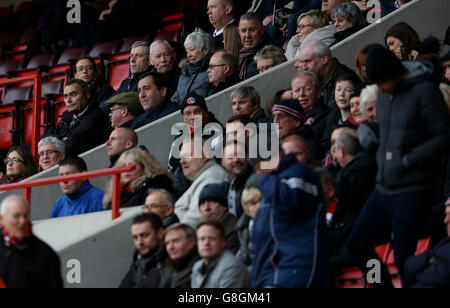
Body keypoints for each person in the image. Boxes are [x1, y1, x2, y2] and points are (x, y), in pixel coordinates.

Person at [345, 45, 450, 288]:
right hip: (384, 186)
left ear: (395, 73)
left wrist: (408, 160)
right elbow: (391, 134)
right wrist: (372, 135)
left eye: (382, 82)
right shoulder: (383, 94)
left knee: (405, 260)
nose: (379, 88)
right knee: (357, 244)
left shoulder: (424, 91)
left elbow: (444, 136)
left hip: (413, 188)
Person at [251, 152, 329, 288]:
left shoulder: (300, 173)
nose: (259, 173)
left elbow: (288, 201)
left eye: (260, 167)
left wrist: (264, 180)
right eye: (256, 170)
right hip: (272, 274)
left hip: (295, 271)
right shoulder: (273, 185)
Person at [0, 195, 63, 288]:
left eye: (25, 216)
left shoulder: (46, 255)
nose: (22, 221)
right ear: (2, 219)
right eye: (16, 216)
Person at [168, 94, 222, 199]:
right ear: (183, 117)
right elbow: (172, 167)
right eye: (188, 113)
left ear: (205, 113)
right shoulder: (178, 138)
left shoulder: (216, 132)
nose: (193, 117)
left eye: (197, 111)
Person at [174, 137, 228, 229]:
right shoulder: (203, 176)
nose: (181, 161)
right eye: (181, 157)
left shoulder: (212, 177)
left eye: (187, 155)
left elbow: (194, 222)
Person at [53, 79, 110, 157]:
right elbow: (46, 139)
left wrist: (61, 140)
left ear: (87, 94)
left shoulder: (95, 117)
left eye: (73, 95)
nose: (68, 100)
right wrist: (62, 138)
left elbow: (70, 147)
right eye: (66, 96)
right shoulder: (67, 116)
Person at [103, 148, 173, 210]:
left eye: (131, 165)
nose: (126, 169)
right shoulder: (116, 191)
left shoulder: (154, 186)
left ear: (144, 168)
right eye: (122, 166)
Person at [295, 40, 360, 107]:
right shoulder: (318, 77)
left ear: (324, 59)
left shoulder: (344, 80)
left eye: (307, 61)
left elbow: (333, 113)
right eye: (302, 62)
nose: (304, 67)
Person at [403, 200, 450, 288]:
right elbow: (409, 267)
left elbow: (444, 278)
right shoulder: (444, 242)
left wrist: (431, 263)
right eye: (446, 215)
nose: (445, 220)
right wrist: (431, 259)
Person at [191, 220, 250, 288]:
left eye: (212, 239)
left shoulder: (231, 266)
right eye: (202, 239)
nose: (206, 243)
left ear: (223, 242)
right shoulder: (197, 266)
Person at [119, 213, 165, 288]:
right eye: (135, 238)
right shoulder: (138, 261)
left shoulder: (172, 262)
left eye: (144, 235)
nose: (139, 242)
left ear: (160, 233)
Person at [171, 29, 214, 106]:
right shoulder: (184, 74)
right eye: (187, 51)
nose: (188, 55)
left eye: (192, 50)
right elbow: (174, 101)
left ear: (205, 50)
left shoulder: (212, 71)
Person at [291, 70, 330, 153]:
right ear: (292, 95)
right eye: (297, 91)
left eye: (307, 89)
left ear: (318, 92)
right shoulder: (287, 117)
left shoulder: (327, 114)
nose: (301, 94)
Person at [198, 182, 239, 253]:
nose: (207, 208)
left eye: (212, 202)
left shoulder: (234, 231)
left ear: (224, 207)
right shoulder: (201, 231)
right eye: (203, 204)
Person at [159, 223, 200, 288]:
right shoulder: (166, 266)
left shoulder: (200, 268)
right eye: (167, 243)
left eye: (175, 241)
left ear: (191, 242)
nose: (170, 247)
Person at [221, 141, 253, 218]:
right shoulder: (223, 187)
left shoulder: (254, 182)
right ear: (223, 162)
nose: (236, 160)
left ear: (247, 157)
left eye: (240, 155)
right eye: (230, 157)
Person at [236, 174, 262, 267]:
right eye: (253, 203)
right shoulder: (244, 227)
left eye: (262, 201)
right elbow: (242, 258)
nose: (259, 207)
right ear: (245, 208)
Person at [237, 13, 267, 80]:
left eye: (252, 30)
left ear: (262, 30)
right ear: (238, 32)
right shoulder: (240, 54)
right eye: (243, 31)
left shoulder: (270, 53)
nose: (247, 35)